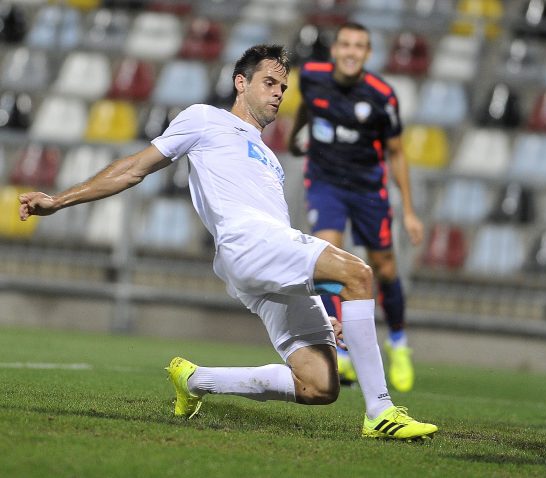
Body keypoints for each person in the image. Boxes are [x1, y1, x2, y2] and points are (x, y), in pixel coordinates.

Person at [18, 45, 437, 441]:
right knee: (359, 274)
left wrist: (321, 296)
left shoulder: (270, 159)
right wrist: (59, 200)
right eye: (270, 83)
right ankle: (380, 412)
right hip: (245, 242)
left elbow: (286, 249)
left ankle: (195, 380)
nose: (278, 94)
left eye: (283, 88)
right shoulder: (204, 118)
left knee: (320, 385)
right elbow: (133, 168)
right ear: (241, 82)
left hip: (261, 258)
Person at [288, 22, 423, 393]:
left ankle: (398, 342)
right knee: (328, 253)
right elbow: (307, 108)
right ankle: (340, 348)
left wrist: (409, 211)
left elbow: (396, 153)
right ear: (334, 50)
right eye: (344, 44)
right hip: (326, 182)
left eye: (359, 46)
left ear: (367, 54)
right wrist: (295, 135)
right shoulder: (312, 77)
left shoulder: (382, 96)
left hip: (367, 191)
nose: (350, 51)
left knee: (384, 268)